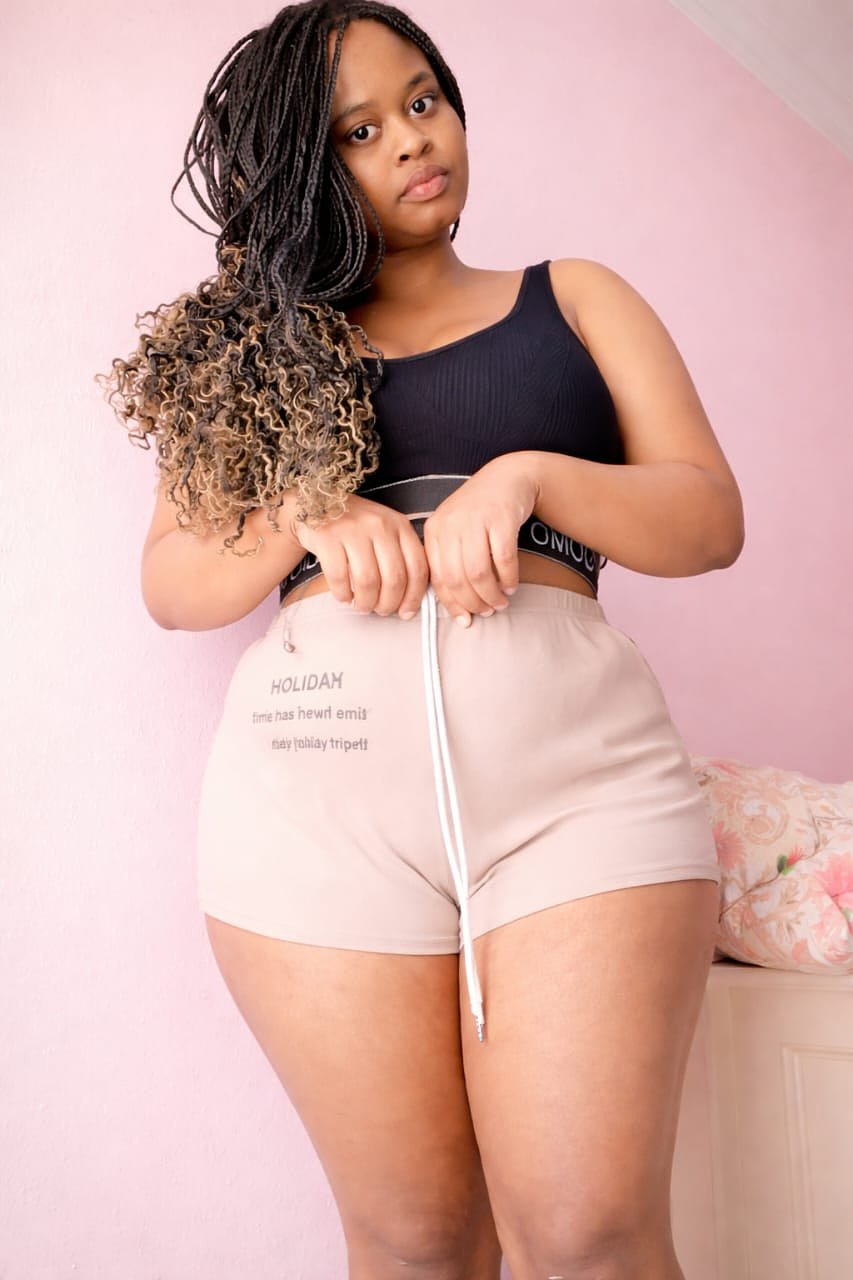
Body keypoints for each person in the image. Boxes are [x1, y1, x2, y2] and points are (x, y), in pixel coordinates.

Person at [100, 3, 745, 1276]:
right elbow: (172, 582)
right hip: (317, 817)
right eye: (358, 130)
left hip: (581, 794)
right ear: (302, 167)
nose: (409, 137)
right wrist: (300, 513)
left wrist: (532, 477)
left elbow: (706, 516)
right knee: (414, 1241)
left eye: (422, 100)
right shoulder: (245, 359)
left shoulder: (575, 298)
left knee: (591, 1233)